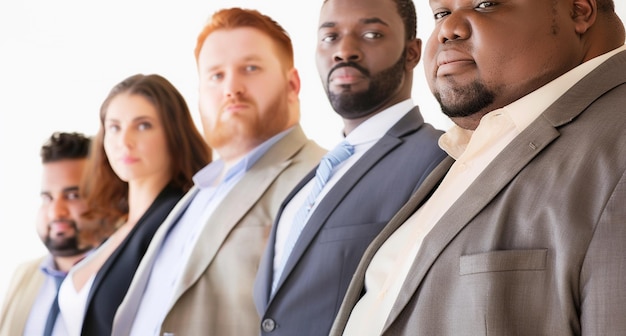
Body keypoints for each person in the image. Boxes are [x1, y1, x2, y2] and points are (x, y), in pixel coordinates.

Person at [330, 0, 626, 335]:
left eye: (485, 4)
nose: (447, 29)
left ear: (579, 10)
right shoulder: (473, 144)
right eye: (440, 14)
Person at [110, 8, 326, 336]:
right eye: (216, 75)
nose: (231, 88)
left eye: (250, 68)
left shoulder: (320, 177)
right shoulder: (198, 192)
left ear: (292, 84)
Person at [253, 0, 447, 335]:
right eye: (329, 37)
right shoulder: (312, 179)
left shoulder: (439, 158)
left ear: (412, 52)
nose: (344, 51)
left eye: (372, 34)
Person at [57, 73, 212, 336]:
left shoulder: (180, 220)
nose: (124, 142)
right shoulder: (119, 226)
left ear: (173, 134)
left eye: (143, 126)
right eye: (114, 127)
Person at [0, 132, 102, 336]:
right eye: (48, 198)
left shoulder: (127, 275)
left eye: (73, 196)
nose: (56, 212)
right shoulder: (24, 276)